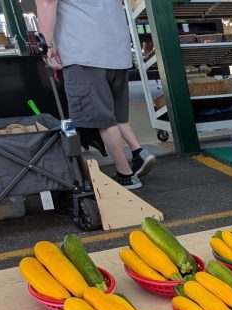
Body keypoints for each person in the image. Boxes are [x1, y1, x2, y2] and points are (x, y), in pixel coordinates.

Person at [36, 0, 154, 190]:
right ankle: (137, 152)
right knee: (114, 114)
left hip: (85, 53)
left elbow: (47, 2)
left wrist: (46, 45)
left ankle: (125, 174)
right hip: (117, 52)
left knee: (103, 121)